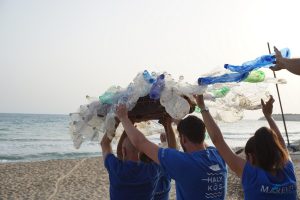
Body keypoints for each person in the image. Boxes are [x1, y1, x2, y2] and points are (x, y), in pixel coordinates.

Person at [195, 94, 297, 200]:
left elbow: (218, 140)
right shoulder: (288, 171)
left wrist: (202, 106)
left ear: (251, 157)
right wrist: (268, 116)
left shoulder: (252, 175)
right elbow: (281, 145)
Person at [116, 105, 228, 200]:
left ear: (183, 139)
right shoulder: (218, 156)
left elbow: (141, 142)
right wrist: (170, 122)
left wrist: (124, 118)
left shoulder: (184, 163)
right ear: (203, 135)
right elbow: (214, 139)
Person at [100, 132, 161, 200]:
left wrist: (116, 123)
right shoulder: (153, 169)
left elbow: (104, 143)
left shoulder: (116, 168)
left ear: (124, 151)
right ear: (142, 151)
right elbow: (162, 151)